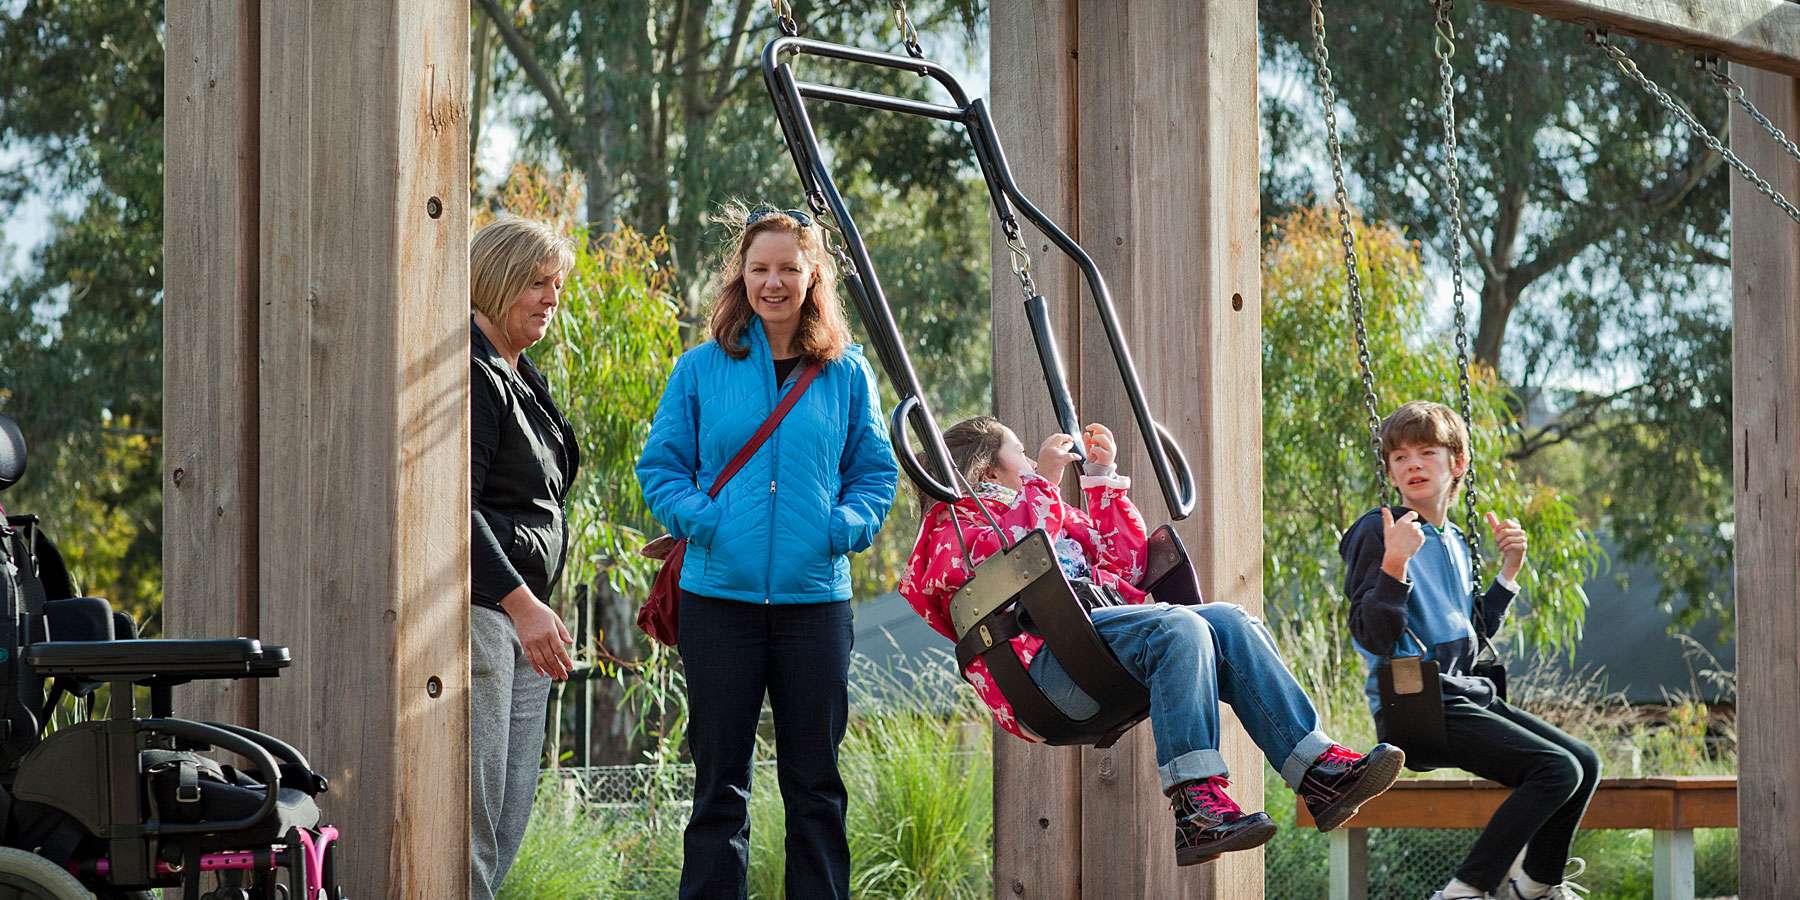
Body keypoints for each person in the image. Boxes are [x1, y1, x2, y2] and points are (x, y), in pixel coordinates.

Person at [899, 416, 1404, 866]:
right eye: (1023, 455)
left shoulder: (1048, 510)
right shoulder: (954, 527)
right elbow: (998, 557)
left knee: (1228, 620)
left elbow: (1126, 563)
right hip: (1043, 670)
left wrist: (1100, 483)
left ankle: (1317, 770)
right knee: (1178, 627)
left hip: (1097, 642)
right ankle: (1196, 806)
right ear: (989, 472)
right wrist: (1044, 482)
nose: (1033, 462)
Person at [636, 204, 898, 900]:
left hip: (816, 603)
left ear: (813, 275)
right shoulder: (699, 369)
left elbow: (875, 472)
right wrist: (703, 518)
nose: (773, 281)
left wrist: (842, 527)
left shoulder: (847, 374)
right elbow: (659, 466)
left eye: (788, 267)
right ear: (741, 276)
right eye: (760, 268)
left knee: (815, 784)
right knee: (719, 784)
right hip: (717, 600)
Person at [1340, 400, 1597, 900]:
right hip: (1415, 705)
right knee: (1554, 769)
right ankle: (1465, 890)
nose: (1412, 464)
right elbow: (1370, 632)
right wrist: (1394, 564)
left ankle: (1537, 886)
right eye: (1400, 457)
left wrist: (1508, 574)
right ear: (1391, 471)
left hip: (1462, 693)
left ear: (1456, 463)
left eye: (1426, 452)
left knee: (1583, 762)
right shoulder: (1381, 531)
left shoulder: (1455, 538)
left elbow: (1471, 634)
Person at [467, 216, 581, 900]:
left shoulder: (519, 372)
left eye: (557, 285)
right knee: (478, 810)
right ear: (498, 277)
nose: (550, 298)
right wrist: (520, 601)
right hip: (489, 613)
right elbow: (455, 507)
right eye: (538, 283)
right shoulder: (475, 373)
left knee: (512, 806)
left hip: (525, 621)